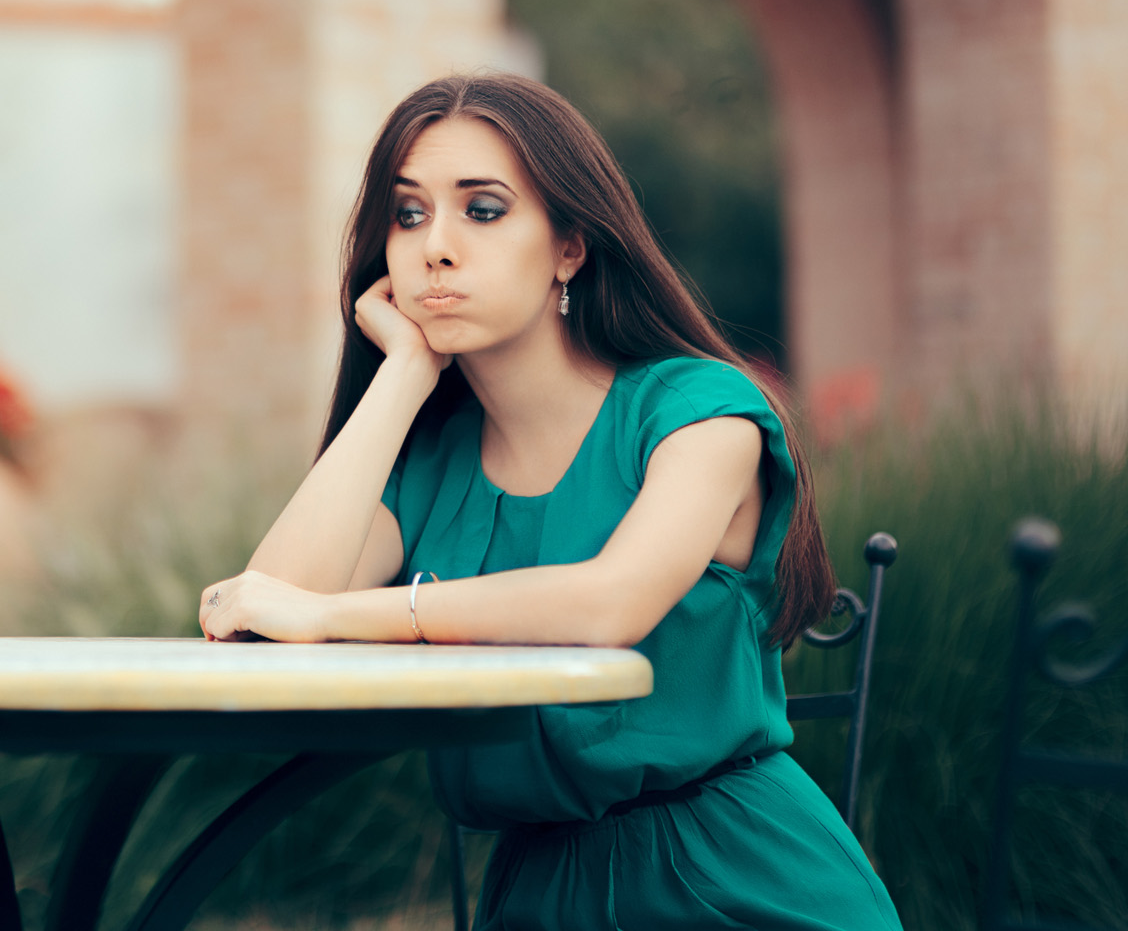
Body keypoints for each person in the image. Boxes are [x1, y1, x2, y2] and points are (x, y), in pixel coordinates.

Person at [195, 73, 902, 929]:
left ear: (570, 245)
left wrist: (340, 615)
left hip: (731, 881)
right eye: (409, 214)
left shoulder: (699, 412)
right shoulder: (435, 457)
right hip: (538, 891)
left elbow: (610, 602)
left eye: (482, 210)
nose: (435, 248)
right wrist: (403, 379)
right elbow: (265, 617)